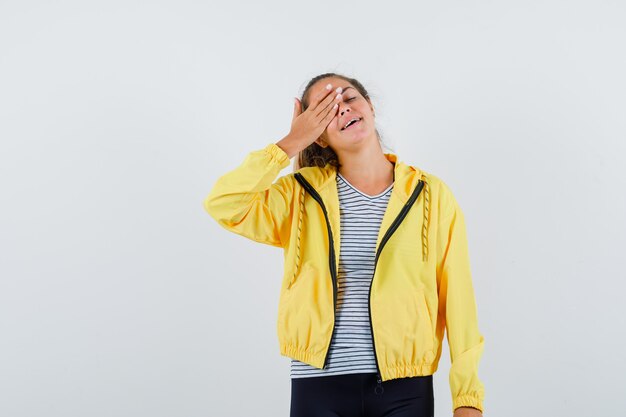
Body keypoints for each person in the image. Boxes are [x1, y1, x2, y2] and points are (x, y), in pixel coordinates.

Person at [203, 72, 486, 417]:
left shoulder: (430, 195)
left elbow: (458, 297)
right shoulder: (299, 195)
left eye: (349, 98)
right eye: (324, 109)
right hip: (318, 385)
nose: (342, 109)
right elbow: (224, 203)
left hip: (406, 388)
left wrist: (467, 398)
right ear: (317, 135)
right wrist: (290, 143)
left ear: (370, 106)